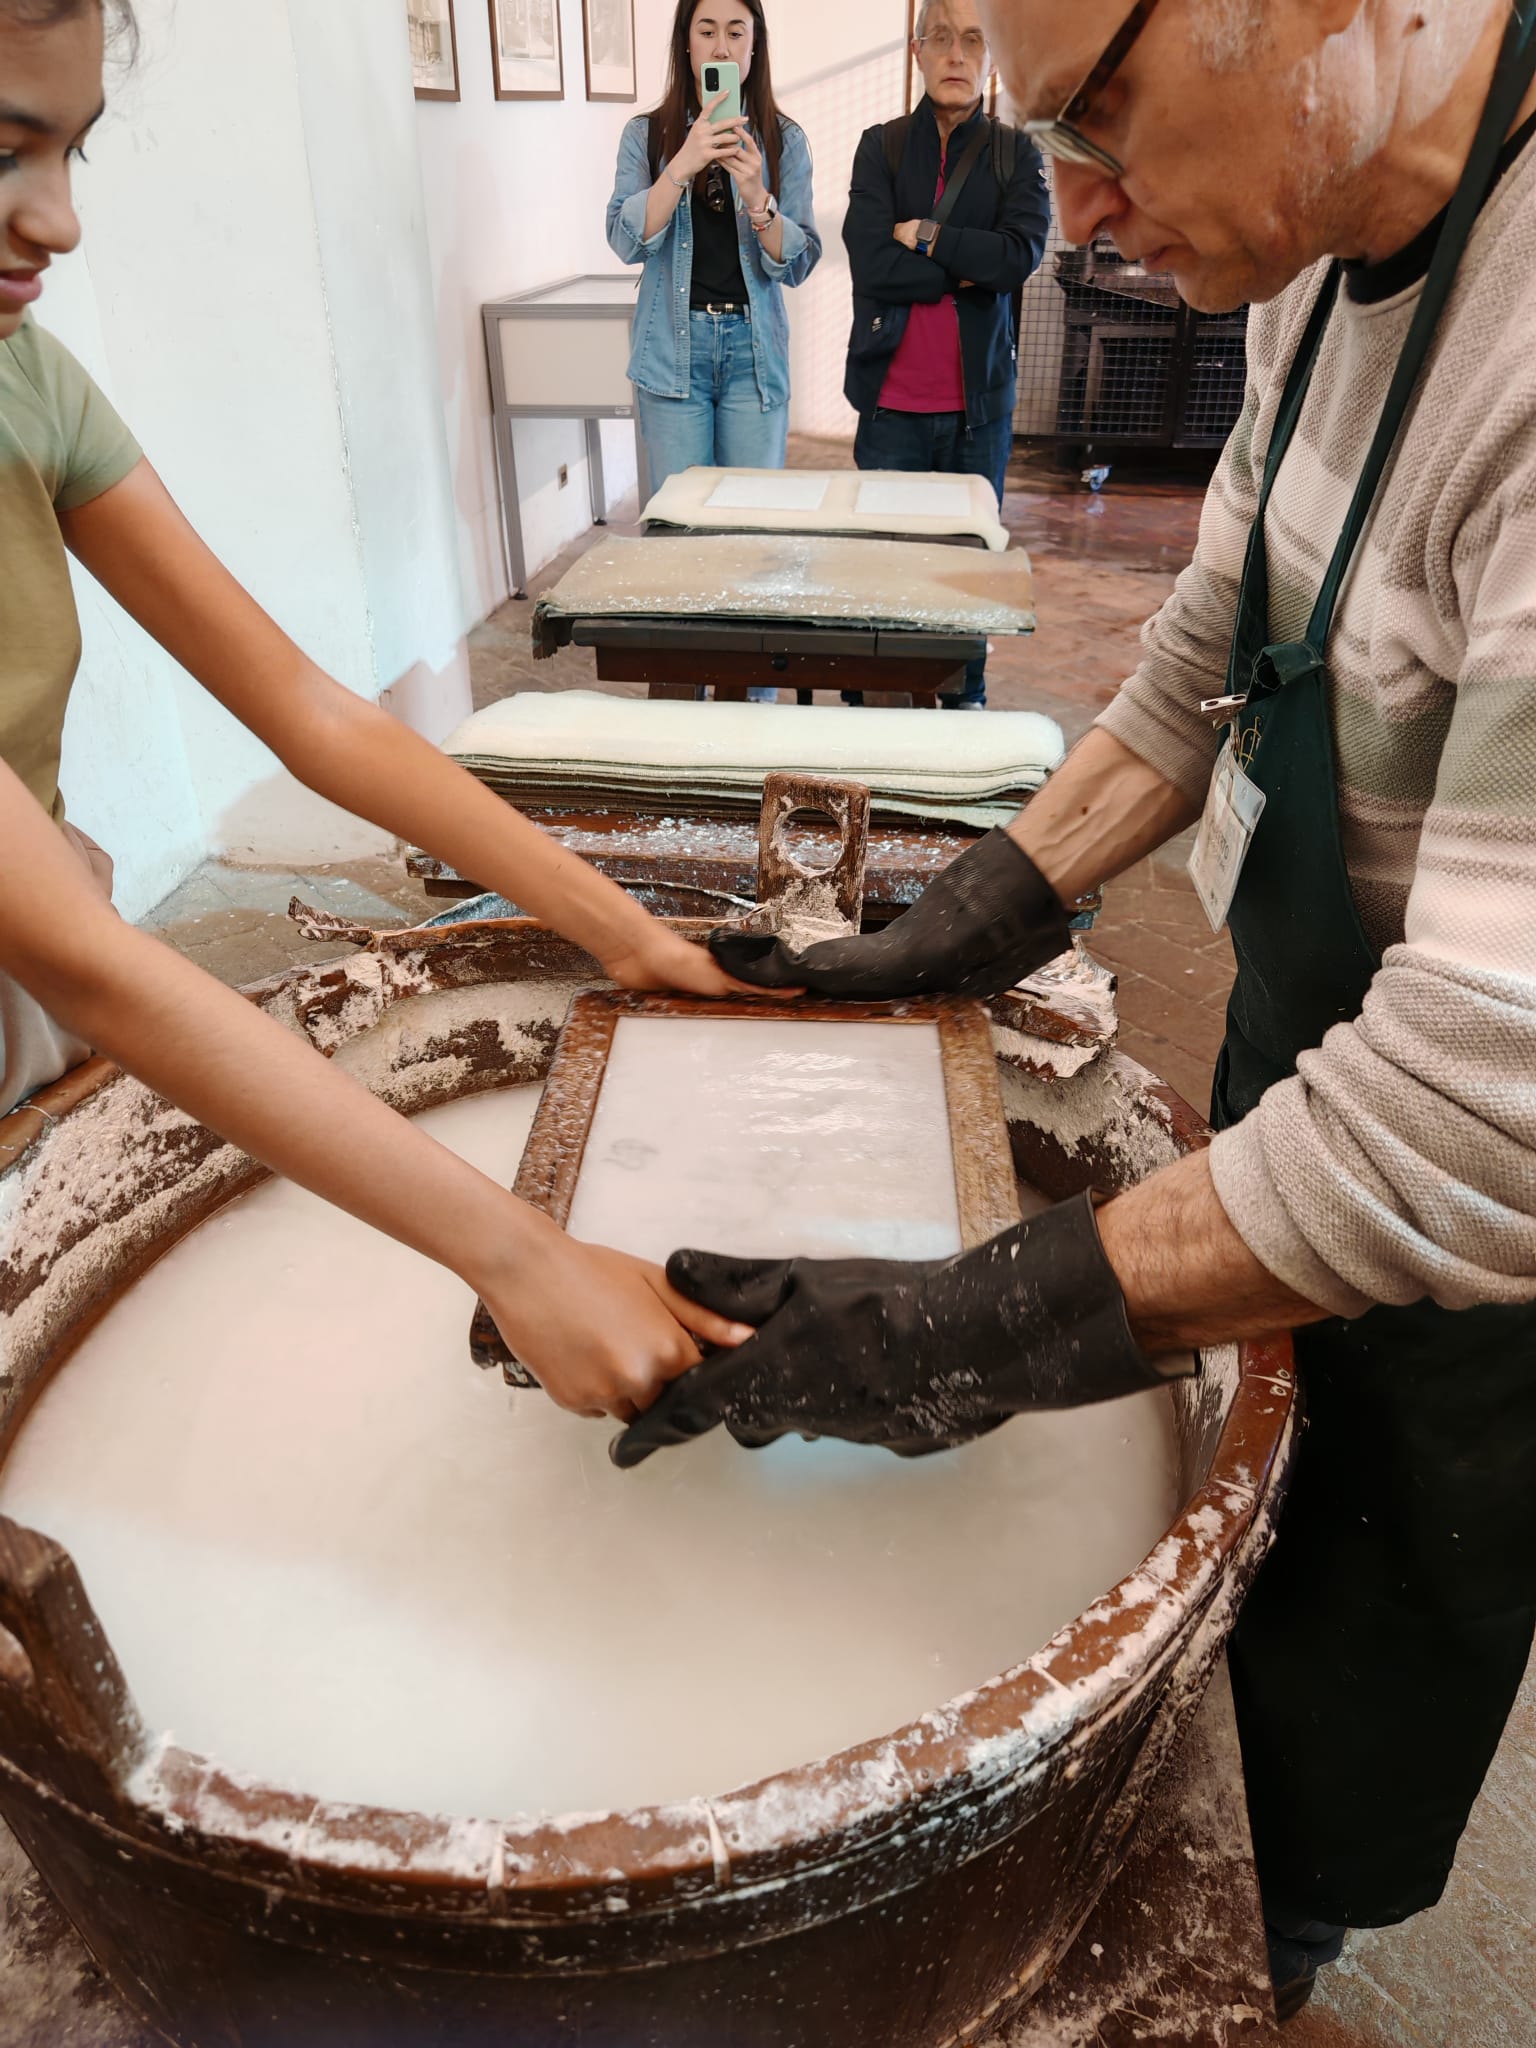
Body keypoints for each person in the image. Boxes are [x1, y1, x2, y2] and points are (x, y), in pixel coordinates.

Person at [617, 0, 1536, 2021]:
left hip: (1477, 1212)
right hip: (1311, 1040)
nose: (1082, 208)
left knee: (1355, 1638)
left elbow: (1485, 1113)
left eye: (1099, 112)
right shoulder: (1315, 261)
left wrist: (956, 1327)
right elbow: (1202, 663)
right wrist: (961, 918)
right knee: (1232, 1545)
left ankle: (1268, 1940)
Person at [0, 0, 755, 1425]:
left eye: (71, 155)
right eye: (1, 154)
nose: (59, 222)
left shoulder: (23, 374)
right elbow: (89, 962)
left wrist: (627, 932)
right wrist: (518, 1253)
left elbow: (308, 710)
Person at [840, 0, 1049, 708]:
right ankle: (874, 703)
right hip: (890, 408)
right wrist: (963, 270)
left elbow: (1017, 257)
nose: (956, 54)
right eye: (941, 38)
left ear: (991, 58)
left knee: (967, 577)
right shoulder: (882, 147)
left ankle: (963, 703)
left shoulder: (1016, 154)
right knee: (883, 571)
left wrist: (926, 236)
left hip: (976, 415)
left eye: (973, 40)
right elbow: (870, 263)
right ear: (917, 51)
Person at [605, 0, 819, 498]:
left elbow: (799, 263)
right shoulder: (646, 135)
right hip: (672, 350)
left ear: (754, 44)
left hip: (754, 355)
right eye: (707, 31)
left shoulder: (784, 141)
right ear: (686, 42)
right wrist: (681, 165)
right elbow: (624, 240)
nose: (721, 47)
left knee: (753, 519)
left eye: (736, 33)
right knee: (680, 518)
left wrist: (758, 198)